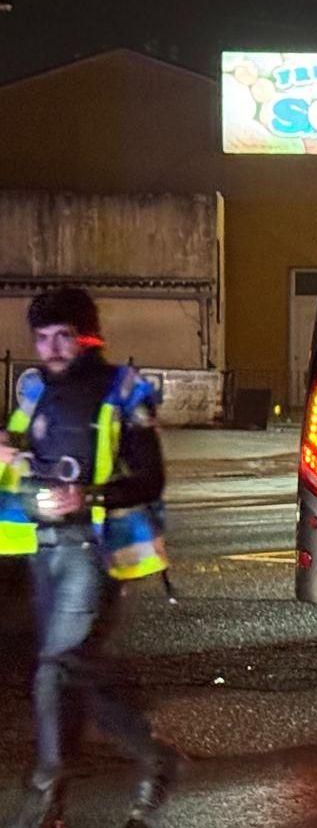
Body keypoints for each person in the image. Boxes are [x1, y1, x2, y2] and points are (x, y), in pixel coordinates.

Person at [2, 288, 179, 828]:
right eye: (42, 337)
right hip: (41, 550)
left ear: (86, 336)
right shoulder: (32, 390)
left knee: (58, 669)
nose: (52, 348)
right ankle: (139, 766)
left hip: (92, 551)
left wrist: (91, 497)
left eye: (63, 336)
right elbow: (14, 444)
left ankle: (47, 796)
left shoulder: (122, 391)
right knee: (71, 673)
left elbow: (151, 478)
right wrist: (7, 450)